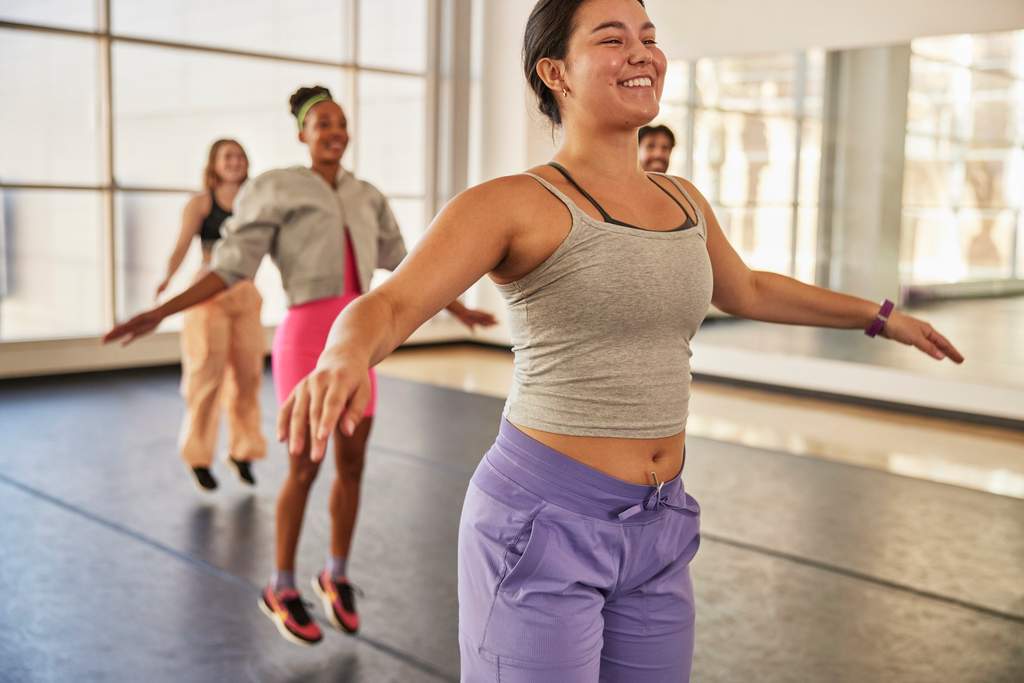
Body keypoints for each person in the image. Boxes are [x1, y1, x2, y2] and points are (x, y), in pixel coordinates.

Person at [280, 1, 963, 678]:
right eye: (613, 39)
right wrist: (342, 354)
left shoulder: (685, 201)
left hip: (660, 530)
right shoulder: (511, 203)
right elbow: (394, 302)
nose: (642, 53)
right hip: (541, 528)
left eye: (649, 38)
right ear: (557, 72)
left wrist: (879, 316)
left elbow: (748, 289)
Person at [104, 85, 497, 647]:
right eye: (322, 125)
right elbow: (232, 264)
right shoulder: (278, 188)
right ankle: (280, 585)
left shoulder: (366, 195)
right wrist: (160, 312)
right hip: (306, 339)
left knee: (354, 462)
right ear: (303, 135)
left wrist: (457, 308)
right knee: (306, 465)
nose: (334, 131)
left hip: (360, 341)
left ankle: (335, 574)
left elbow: (408, 265)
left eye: (341, 123)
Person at [156, 138, 265, 492]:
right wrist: (167, 279)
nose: (235, 162)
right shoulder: (201, 204)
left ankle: (243, 451)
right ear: (214, 163)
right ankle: (198, 457)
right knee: (207, 376)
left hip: (245, 296)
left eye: (240, 156)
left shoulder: (257, 203)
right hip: (208, 298)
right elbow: (181, 245)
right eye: (227, 157)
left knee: (248, 375)